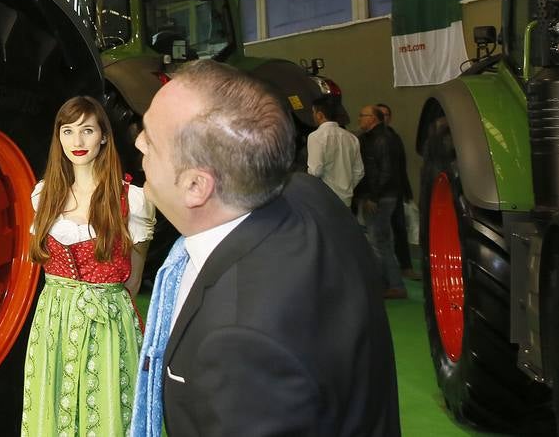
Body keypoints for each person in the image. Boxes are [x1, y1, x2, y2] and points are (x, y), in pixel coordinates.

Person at [129, 61, 399, 437]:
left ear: (196, 187)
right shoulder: (310, 195)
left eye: (150, 139)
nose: (137, 142)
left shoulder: (238, 342)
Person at [21, 96, 154, 437]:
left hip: (107, 320)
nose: (77, 142)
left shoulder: (132, 199)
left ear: (104, 136)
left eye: (87, 130)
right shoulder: (43, 194)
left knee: (106, 411)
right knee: (51, 408)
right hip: (53, 320)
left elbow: (133, 280)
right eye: (68, 131)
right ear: (58, 137)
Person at [358, 105, 408, 299]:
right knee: (383, 241)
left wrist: (373, 196)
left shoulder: (381, 140)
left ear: (373, 119)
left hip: (379, 197)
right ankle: (392, 284)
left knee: (378, 243)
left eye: (363, 115)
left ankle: (387, 285)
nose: (360, 118)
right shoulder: (384, 138)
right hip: (384, 195)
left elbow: (385, 171)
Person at [376, 103, 419, 280]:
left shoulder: (394, 138)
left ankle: (405, 267)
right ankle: (385, 273)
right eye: (381, 114)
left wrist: (406, 190)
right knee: (379, 234)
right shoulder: (367, 138)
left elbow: (401, 166)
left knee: (399, 228)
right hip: (378, 192)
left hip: (395, 189)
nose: (384, 117)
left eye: (387, 114)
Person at [306, 95, 364, 206]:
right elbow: (359, 171)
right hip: (346, 199)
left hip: (325, 199)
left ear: (319, 115)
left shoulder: (315, 136)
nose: (312, 115)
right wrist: (347, 187)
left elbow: (316, 171)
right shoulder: (351, 138)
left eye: (313, 112)